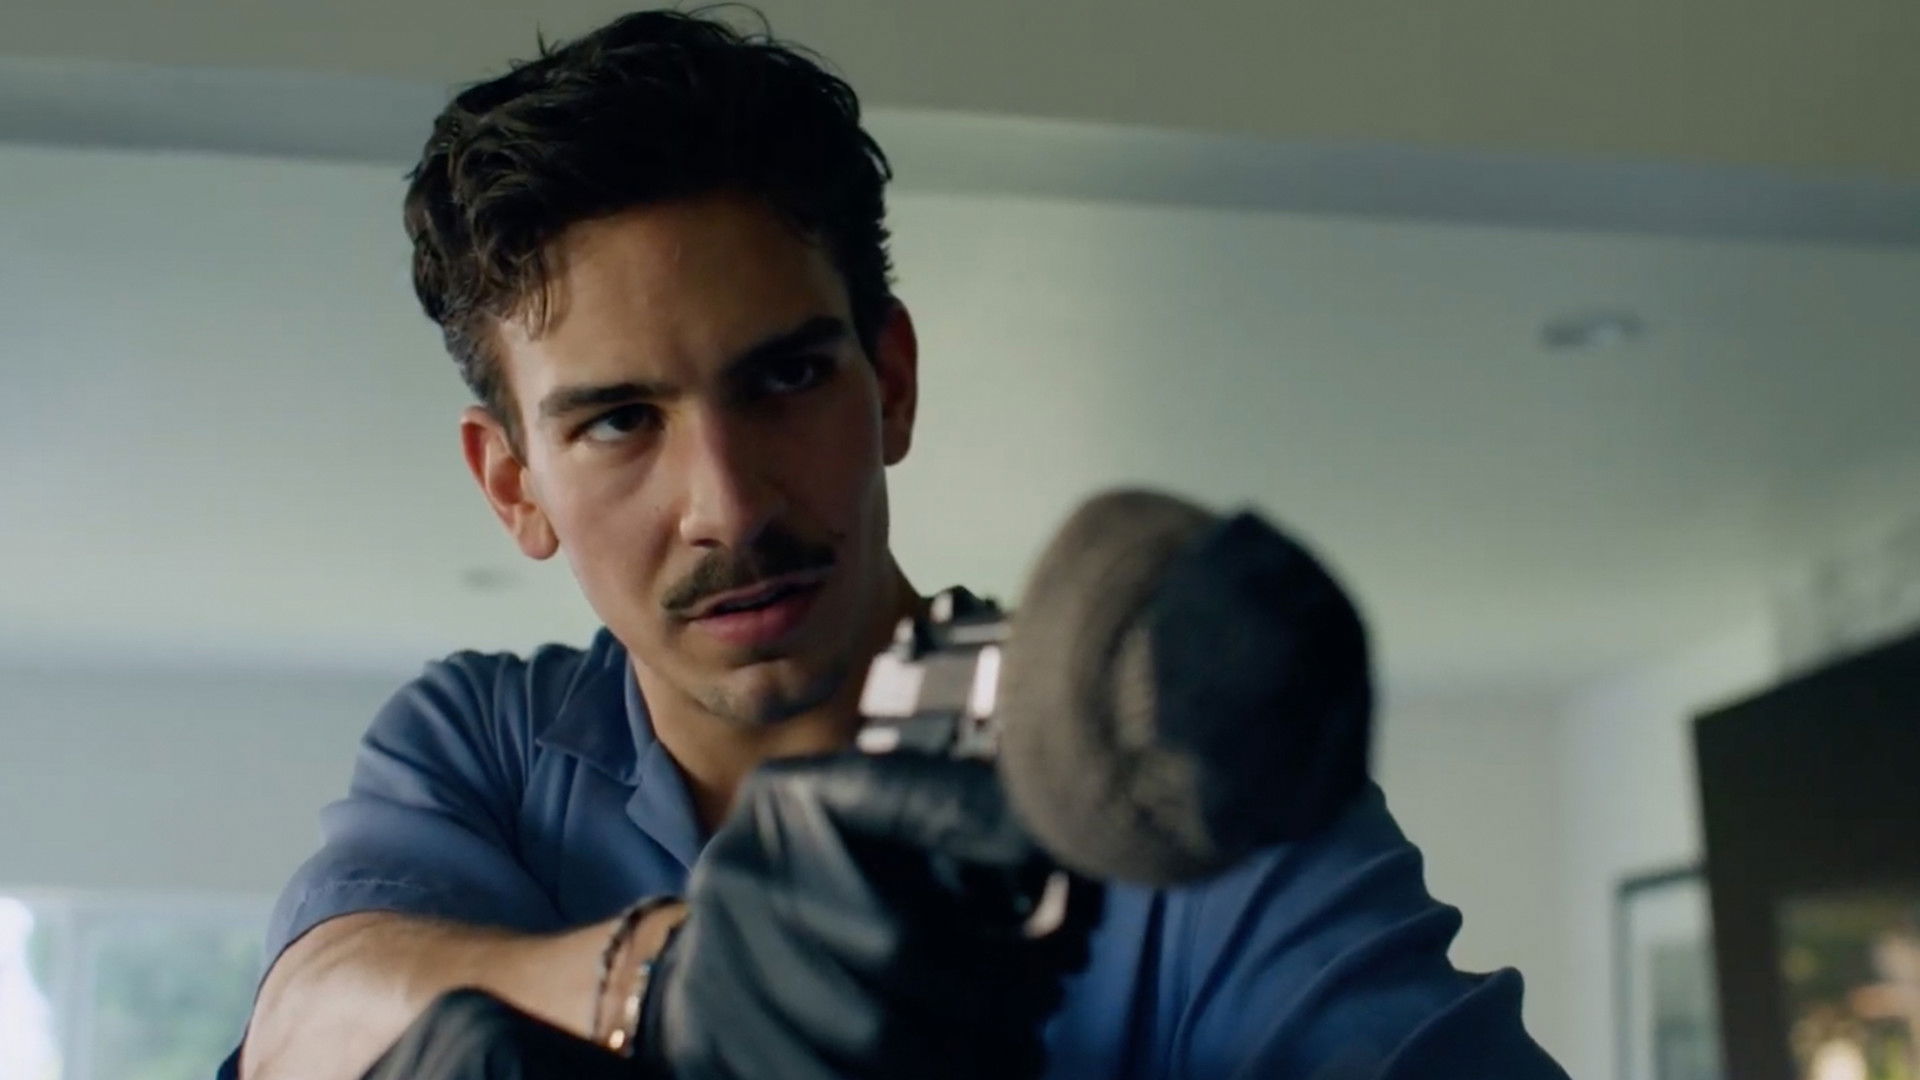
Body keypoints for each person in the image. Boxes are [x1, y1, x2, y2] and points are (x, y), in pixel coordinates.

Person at [223, 10, 1570, 1079]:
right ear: (514, 485)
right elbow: (305, 1022)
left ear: (895, 382)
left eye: (786, 378)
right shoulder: (495, 748)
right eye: (621, 421)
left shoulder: (1159, 763)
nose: (730, 506)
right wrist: (667, 985)